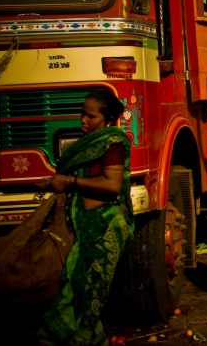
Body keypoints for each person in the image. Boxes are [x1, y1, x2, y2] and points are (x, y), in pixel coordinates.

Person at [39, 90, 133, 345]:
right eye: (82, 114)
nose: (83, 120)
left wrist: (69, 181)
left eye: (90, 116)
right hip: (85, 225)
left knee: (89, 294)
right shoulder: (90, 143)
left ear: (108, 118)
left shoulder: (112, 143)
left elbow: (112, 185)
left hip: (105, 226)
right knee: (73, 288)